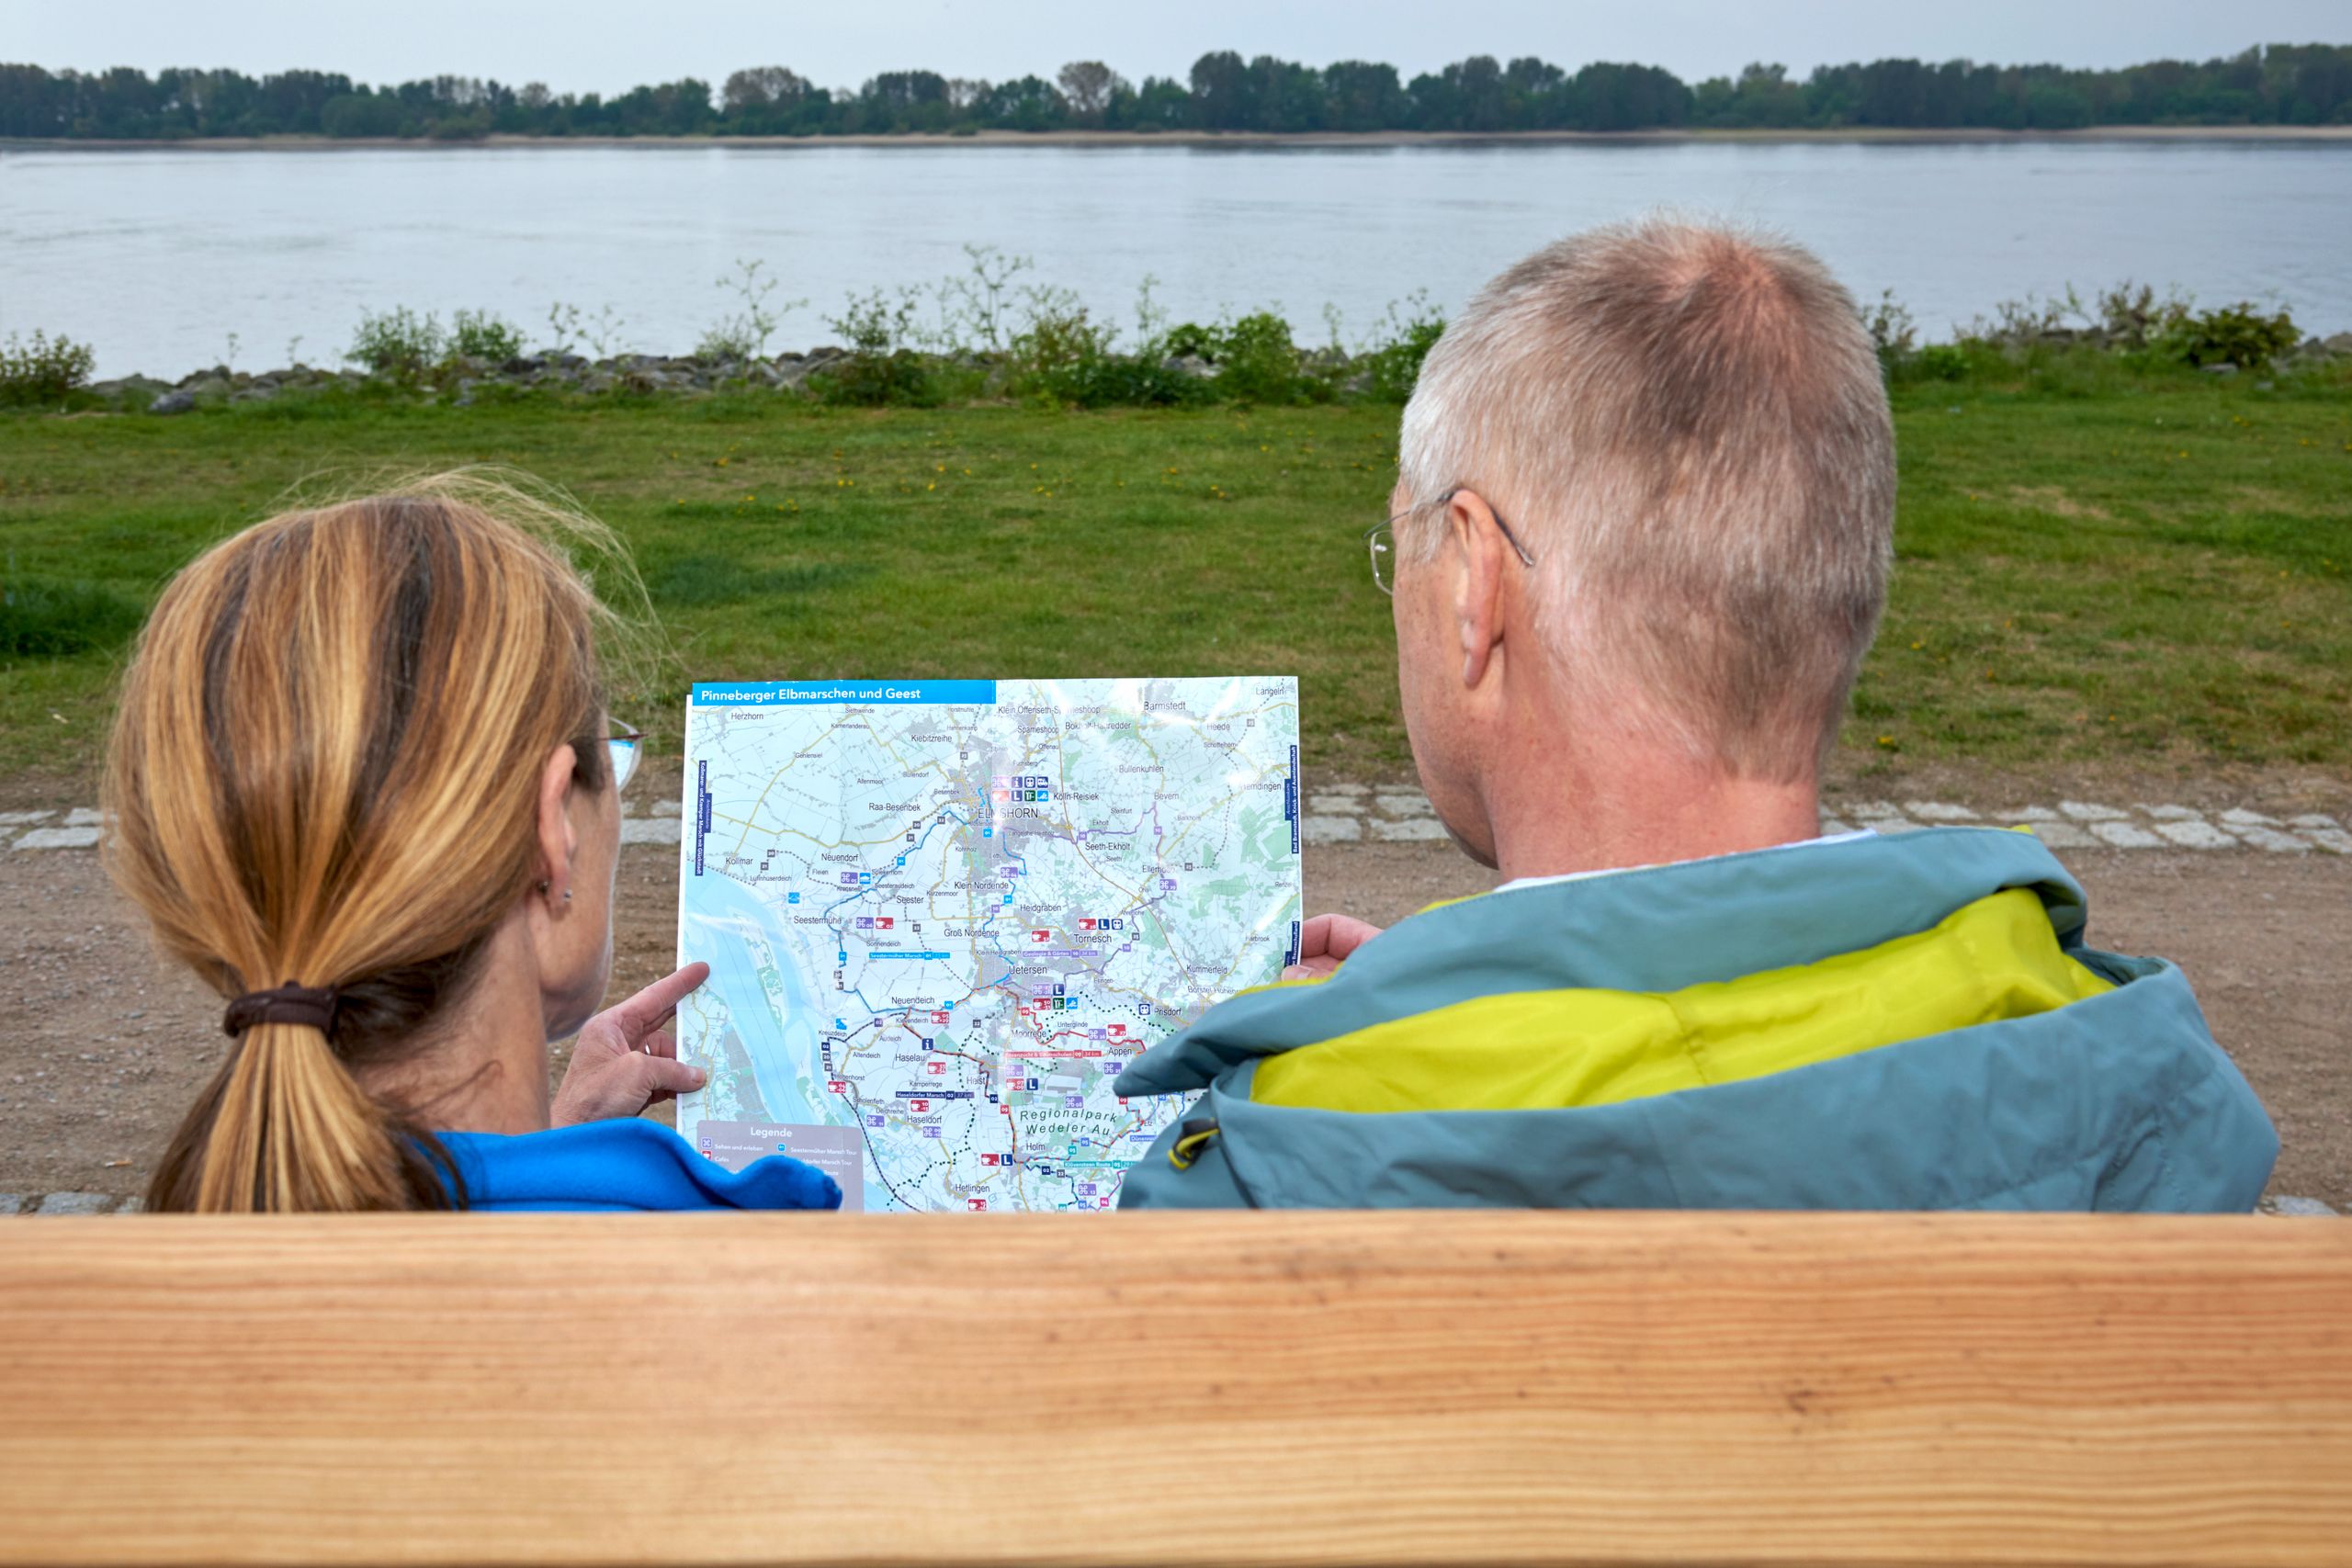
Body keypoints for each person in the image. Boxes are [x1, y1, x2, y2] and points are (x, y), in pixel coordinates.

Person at [1115, 218, 2278, 1211]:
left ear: (1476, 585)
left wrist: (1398, 1041)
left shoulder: (1283, 1154)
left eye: (1400, 555)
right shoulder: (2126, 1067)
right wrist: (1456, 996)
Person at [107, 472, 839, 1213]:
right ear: (550, 831)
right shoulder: (760, 1251)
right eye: (611, 753)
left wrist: (557, 1143)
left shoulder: (207, 1217)